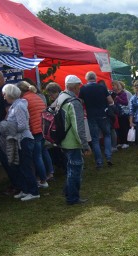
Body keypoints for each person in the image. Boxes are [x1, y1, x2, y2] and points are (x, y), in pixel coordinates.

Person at [55, 75, 91, 205]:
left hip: (63, 140)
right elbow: (78, 127)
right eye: (79, 86)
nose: (79, 88)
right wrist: (85, 145)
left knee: (71, 168)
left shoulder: (61, 97)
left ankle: (68, 191)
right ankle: (72, 198)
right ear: (75, 86)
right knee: (75, 170)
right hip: (72, 142)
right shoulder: (74, 102)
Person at [1, 84, 40, 201]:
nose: (4, 97)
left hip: (24, 139)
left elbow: (22, 125)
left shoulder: (18, 106)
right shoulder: (16, 105)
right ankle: (26, 190)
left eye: (5, 94)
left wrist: (8, 127)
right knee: (22, 166)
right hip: (20, 139)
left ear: (10, 94)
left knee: (26, 166)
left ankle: (34, 192)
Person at [0, 70, 22, 196]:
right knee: (6, 159)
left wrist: (2, 127)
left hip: (5, 133)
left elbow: (9, 112)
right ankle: (15, 184)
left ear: (0, 79)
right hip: (0, 131)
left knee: (8, 159)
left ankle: (17, 185)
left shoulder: (5, 92)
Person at [79, 71, 115, 169]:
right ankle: (108, 157)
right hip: (103, 115)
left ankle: (99, 162)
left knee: (95, 139)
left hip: (91, 116)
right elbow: (110, 101)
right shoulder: (102, 87)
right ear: (95, 78)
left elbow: (81, 103)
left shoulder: (83, 89)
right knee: (107, 135)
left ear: (86, 78)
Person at [17, 81, 48, 189]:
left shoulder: (25, 100)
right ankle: (45, 177)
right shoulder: (36, 96)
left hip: (34, 130)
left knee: (36, 157)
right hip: (42, 128)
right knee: (41, 154)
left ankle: (43, 180)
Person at [112, 80, 131, 149]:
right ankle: (120, 142)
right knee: (119, 128)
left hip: (123, 113)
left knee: (124, 127)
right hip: (117, 113)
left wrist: (118, 98)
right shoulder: (114, 93)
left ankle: (125, 142)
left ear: (117, 86)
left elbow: (125, 102)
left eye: (113, 85)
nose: (112, 87)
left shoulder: (123, 93)